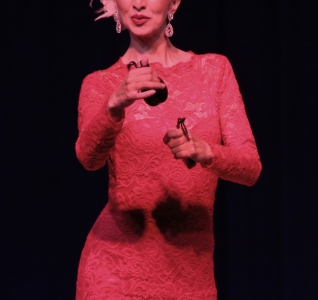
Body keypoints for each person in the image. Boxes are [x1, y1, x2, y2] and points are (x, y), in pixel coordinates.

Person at [75, 0, 262, 298]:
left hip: (191, 275)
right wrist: (114, 106)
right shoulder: (100, 84)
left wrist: (205, 151)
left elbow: (251, 168)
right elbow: (88, 158)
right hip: (116, 273)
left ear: (173, 2)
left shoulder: (214, 70)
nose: (138, 3)